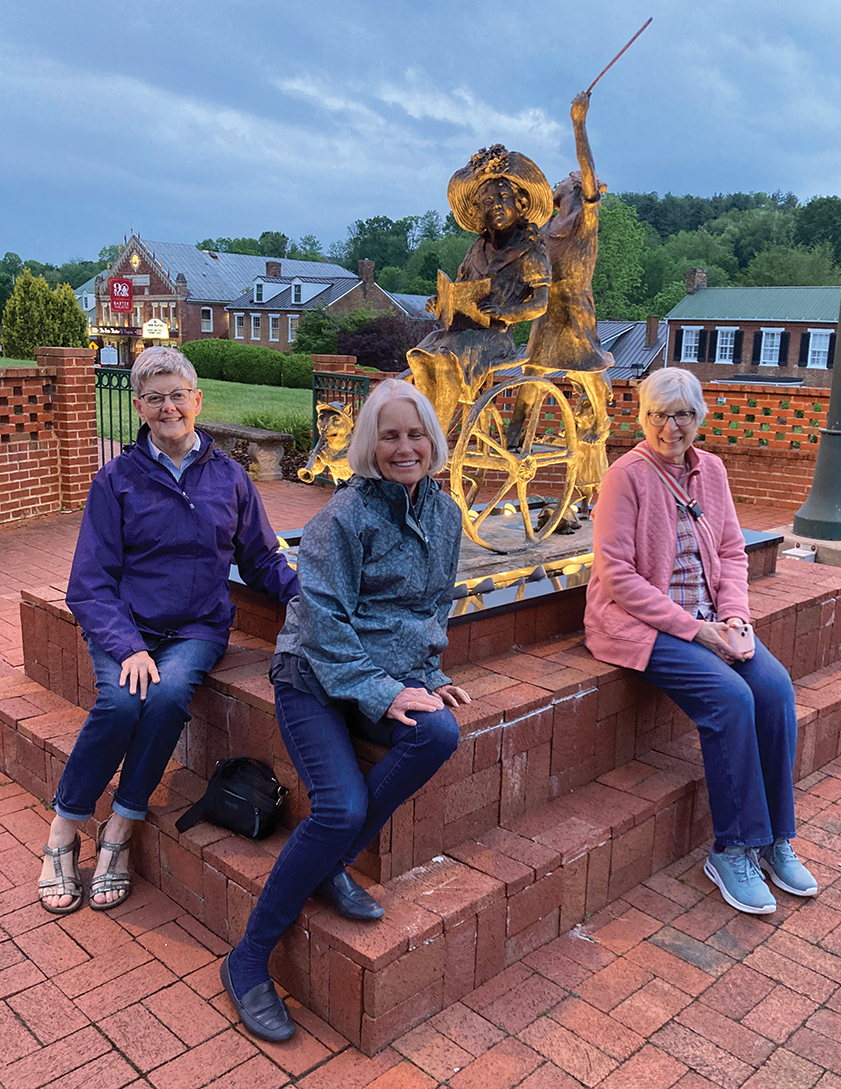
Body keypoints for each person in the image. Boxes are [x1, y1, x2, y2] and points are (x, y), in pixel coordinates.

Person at [221, 379, 469, 1043]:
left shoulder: (446, 515)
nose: (405, 446)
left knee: (440, 731)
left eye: (415, 433)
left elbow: (431, 608)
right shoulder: (344, 519)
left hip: (381, 675)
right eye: (389, 435)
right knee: (341, 808)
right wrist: (389, 692)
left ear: (433, 440)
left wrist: (427, 676)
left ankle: (328, 861)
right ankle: (247, 958)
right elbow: (325, 626)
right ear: (370, 444)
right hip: (310, 674)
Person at [38, 347, 298, 915]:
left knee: (167, 697)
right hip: (125, 623)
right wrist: (128, 645)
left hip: (197, 629)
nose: (168, 407)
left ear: (197, 400)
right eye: (154, 398)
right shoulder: (117, 480)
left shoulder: (229, 478)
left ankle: (122, 828)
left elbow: (260, 558)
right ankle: (64, 827)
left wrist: (304, 594)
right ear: (139, 407)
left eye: (178, 394)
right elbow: (88, 582)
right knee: (120, 703)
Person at [584, 368, 816, 915]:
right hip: (642, 623)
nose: (672, 426)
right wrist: (697, 631)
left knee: (775, 689)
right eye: (659, 414)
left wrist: (735, 619)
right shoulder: (626, 476)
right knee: (732, 699)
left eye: (683, 414)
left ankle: (776, 839)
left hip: (712, 619)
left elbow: (733, 552)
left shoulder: (711, 470)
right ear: (643, 419)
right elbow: (616, 574)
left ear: (699, 418)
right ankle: (733, 848)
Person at [407, 144, 553, 433]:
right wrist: (441, 301)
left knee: (449, 355)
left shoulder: (531, 252)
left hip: (496, 338)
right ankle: (424, 422)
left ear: (519, 204)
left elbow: (540, 304)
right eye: (487, 201)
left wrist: (505, 311)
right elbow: (462, 288)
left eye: (503, 197)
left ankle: (437, 431)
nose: (496, 204)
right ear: (479, 211)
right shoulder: (475, 251)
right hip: (462, 332)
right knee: (420, 354)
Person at [507, 91, 613, 454]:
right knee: (532, 370)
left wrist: (578, 123)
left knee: (585, 368)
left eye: (564, 181)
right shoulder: (547, 228)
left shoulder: (585, 219)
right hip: (547, 307)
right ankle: (515, 433)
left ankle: (600, 416)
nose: (559, 183)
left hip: (575, 308)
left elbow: (586, 170)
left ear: (575, 188)